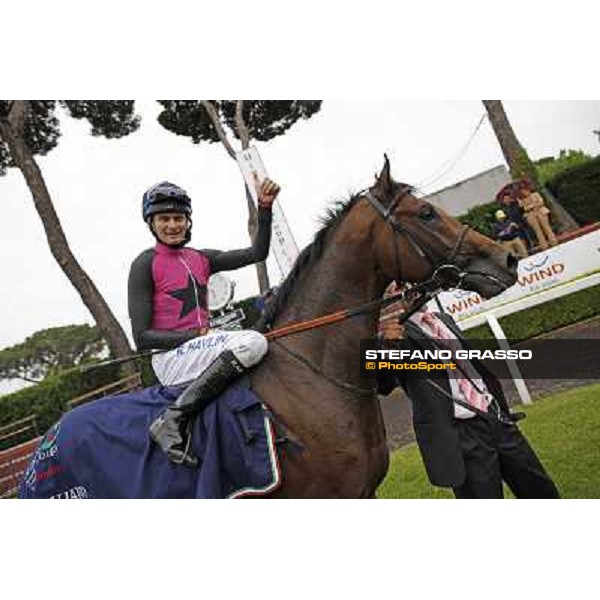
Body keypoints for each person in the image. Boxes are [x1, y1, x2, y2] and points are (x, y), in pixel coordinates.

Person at [128, 178, 280, 467]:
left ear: (187, 221)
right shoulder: (144, 264)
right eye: (164, 219)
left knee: (265, 335)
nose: (172, 225)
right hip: (170, 358)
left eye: (178, 218)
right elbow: (142, 338)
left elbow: (257, 253)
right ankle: (172, 420)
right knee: (253, 342)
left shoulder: (202, 258)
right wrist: (195, 335)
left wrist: (264, 207)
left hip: (200, 345)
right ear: (151, 223)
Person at [377, 282, 559, 499]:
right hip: (462, 437)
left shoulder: (444, 319)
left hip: (496, 419)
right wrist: (386, 348)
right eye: (397, 290)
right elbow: (383, 385)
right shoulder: (394, 337)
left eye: (408, 285)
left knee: (540, 490)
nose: (408, 291)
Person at [518, 185, 557, 251]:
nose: (525, 192)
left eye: (525, 190)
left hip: (541, 211)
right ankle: (544, 245)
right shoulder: (521, 200)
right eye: (523, 191)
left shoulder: (535, 194)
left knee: (546, 227)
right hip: (531, 215)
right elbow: (524, 208)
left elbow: (541, 202)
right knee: (537, 230)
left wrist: (533, 205)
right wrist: (533, 205)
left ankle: (553, 241)